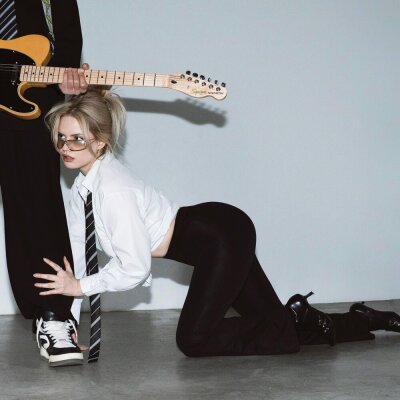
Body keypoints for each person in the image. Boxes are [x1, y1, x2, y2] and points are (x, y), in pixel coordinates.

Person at [34, 88, 400, 360]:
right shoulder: (82, 190)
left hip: (221, 237)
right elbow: (80, 261)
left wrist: (81, 287)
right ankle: (364, 319)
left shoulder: (113, 190)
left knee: (193, 340)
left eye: (77, 139)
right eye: (61, 138)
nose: (66, 147)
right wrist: (69, 328)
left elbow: (134, 268)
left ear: (100, 142)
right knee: (276, 326)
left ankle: (293, 317)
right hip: (219, 234)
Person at [0, 0, 89, 367]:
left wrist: (67, 75)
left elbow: (67, 39)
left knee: (39, 207)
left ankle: (53, 315)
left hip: (29, 102)